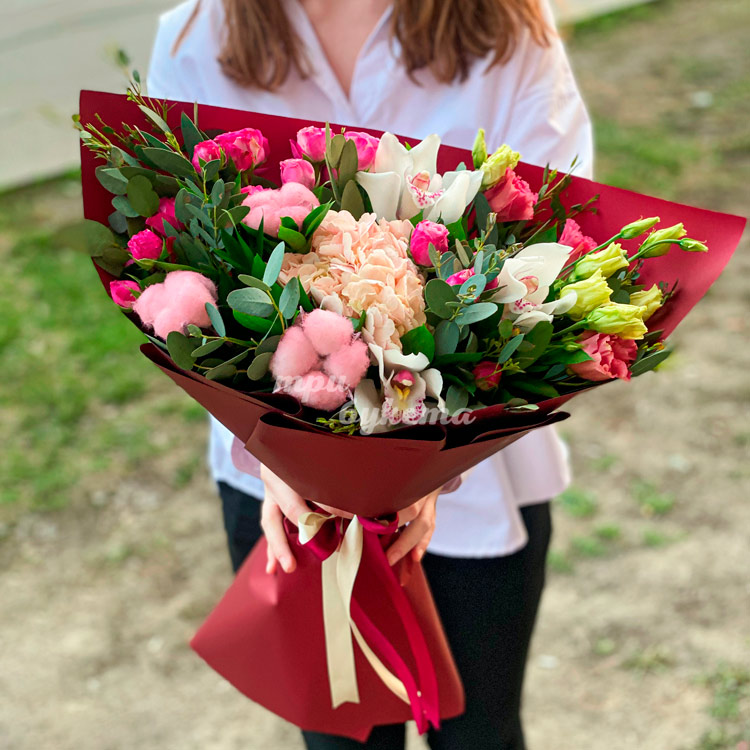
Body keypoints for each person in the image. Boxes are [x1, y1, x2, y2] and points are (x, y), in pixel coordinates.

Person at [147, 1, 593, 748]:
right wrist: (280, 457)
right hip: (286, 491)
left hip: (475, 474)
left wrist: (424, 465)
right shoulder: (197, 36)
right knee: (341, 741)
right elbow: (177, 273)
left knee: (482, 733)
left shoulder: (507, 31)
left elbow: (556, 254)